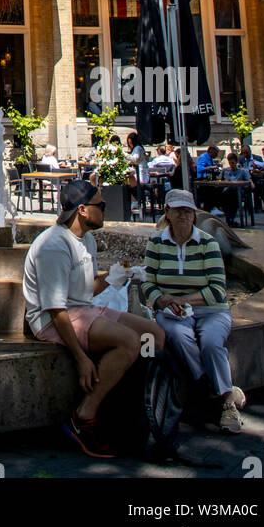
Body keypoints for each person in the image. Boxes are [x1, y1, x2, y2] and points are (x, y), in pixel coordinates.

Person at [22, 178, 165, 459]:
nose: (106, 209)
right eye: (102, 204)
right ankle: (82, 418)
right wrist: (81, 358)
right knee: (128, 341)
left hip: (81, 310)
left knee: (154, 335)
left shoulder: (86, 239)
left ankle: (132, 406)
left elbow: (88, 290)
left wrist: (116, 277)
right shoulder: (53, 245)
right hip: (52, 320)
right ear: (83, 210)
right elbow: (55, 309)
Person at [142, 189, 245, 434]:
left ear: (194, 214)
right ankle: (223, 392)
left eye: (188, 211)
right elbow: (147, 283)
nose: (183, 216)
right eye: (177, 210)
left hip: (211, 311)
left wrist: (182, 300)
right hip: (172, 314)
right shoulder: (156, 242)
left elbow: (218, 289)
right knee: (178, 336)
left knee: (211, 342)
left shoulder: (207, 243)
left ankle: (223, 400)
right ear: (167, 213)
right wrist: (162, 301)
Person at [219, 153, 253, 227]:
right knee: (222, 197)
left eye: (233, 163)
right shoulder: (225, 171)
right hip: (226, 192)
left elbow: (250, 182)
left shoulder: (242, 171)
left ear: (236, 162)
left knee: (233, 198)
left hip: (238, 192)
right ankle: (229, 218)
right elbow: (219, 180)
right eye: (230, 163)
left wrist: (249, 185)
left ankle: (230, 219)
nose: (231, 165)